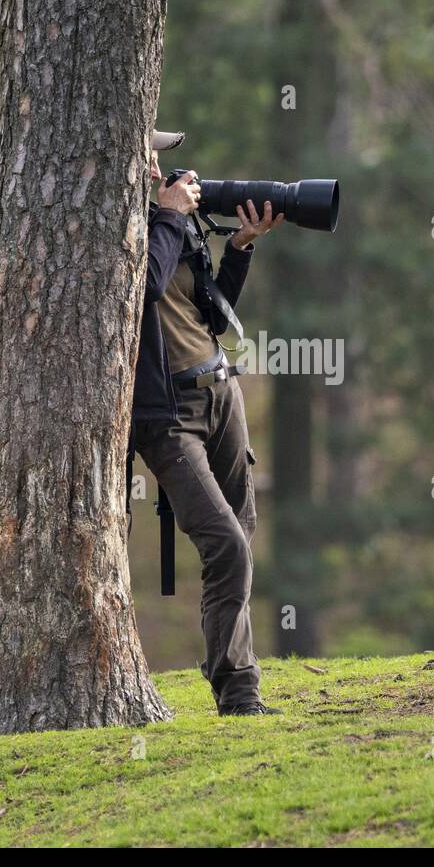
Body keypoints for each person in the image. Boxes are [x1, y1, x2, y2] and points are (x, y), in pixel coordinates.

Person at [131, 128, 284, 716]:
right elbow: (139, 286)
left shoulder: (167, 221)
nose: (158, 166)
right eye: (149, 153)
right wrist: (169, 218)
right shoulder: (120, 228)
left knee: (242, 535)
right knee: (225, 545)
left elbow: (211, 314)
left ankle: (239, 688)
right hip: (166, 415)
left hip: (221, 391)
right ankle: (237, 692)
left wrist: (241, 247)